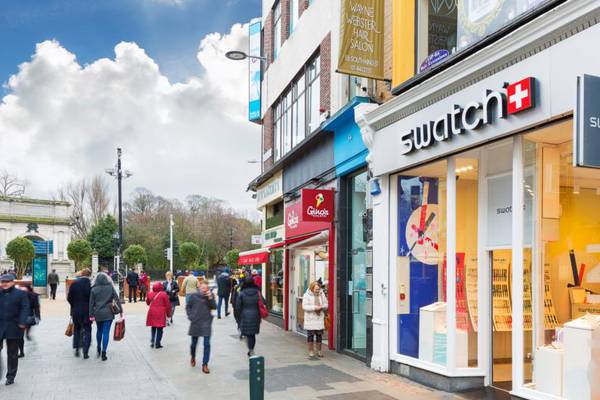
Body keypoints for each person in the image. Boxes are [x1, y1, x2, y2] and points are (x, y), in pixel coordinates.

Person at [0, 273, 29, 385]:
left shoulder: (21, 294)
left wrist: (22, 322)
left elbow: (25, 308)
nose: (5, 284)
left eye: (7, 282)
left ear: (13, 282)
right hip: (1, 325)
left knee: (12, 353)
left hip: (14, 326)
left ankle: (10, 376)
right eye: (3, 282)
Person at [89, 272, 122, 361]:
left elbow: (91, 304)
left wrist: (91, 315)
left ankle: (98, 347)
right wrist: (121, 311)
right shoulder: (110, 287)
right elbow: (117, 299)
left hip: (98, 313)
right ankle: (104, 352)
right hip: (108, 313)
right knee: (106, 332)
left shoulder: (93, 289)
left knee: (99, 330)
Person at [186, 280, 216, 374]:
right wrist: (191, 317)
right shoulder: (193, 296)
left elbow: (214, 307)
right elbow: (188, 307)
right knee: (193, 344)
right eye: (203, 288)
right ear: (199, 288)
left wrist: (210, 297)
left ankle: (205, 364)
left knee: (207, 344)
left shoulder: (210, 296)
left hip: (206, 322)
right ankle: (193, 356)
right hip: (196, 322)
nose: (204, 290)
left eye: (206, 288)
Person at [67, 269, 92, 359]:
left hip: (76, 311)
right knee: (87, 330)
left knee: (77, 329)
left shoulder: (74, 283)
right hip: (87, 311)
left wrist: (74, 305)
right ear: (89, 275)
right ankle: (85, 352)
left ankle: (77, 348)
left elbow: (69, 298)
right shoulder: (90, 284)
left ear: (81, 274)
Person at [235, 276, 263, 356]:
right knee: (252, 334)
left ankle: (250, 349)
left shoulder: (242, 293)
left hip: (245, 315)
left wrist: (239, 316)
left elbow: (238, 307)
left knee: (247, 333)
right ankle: (251, 349)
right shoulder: (257, 292)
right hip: (255, 315)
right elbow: (262, 302)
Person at [302, 281, 329, 358]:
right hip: (310, 319)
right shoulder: (306, 295)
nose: (318, 290)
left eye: (318, 289)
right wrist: (314, 307)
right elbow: (304, 307)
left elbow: (326, 304)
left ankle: (319, 351)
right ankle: (311, 351)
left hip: (319, 318)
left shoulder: (321, 294)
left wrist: (322, 307)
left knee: (319, 335)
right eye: (316, 289)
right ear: (312, 288)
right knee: (310, 335)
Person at [16, 284, 40, 358]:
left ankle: (21, 351)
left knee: (20, 335)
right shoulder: (17, 295)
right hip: (19, 318)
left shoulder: (33, 295)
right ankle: (21, 351)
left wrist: (37, 316)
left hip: (26, 317)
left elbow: (36, 307)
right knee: (20, 336)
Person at [146, 282, 171, 349]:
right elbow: (168, 305)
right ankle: (158, 343)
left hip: (152, 312)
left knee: (153, 327)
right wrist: (169, 315)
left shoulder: (150, 293)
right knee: (160, 328)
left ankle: (152, 342)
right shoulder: (164, 294)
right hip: (160, 312)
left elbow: (148, 303)